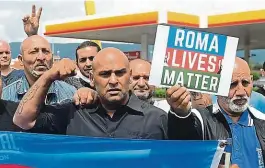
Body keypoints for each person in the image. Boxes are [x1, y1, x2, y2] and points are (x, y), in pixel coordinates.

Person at [13, 48, 168, 139]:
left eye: (120, 73)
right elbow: (23, 120)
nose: (113, 80)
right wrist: (48, 76)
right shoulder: (74, 114)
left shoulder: (157, 119)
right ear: (92, 79)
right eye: (105, 74)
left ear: (129, 75)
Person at [2, 35, 76, 104]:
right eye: (33, 52)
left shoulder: (70, 94)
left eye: (45, 51)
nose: (41, 57)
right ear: (21, 60)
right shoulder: (5, 97)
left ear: (52, 58)